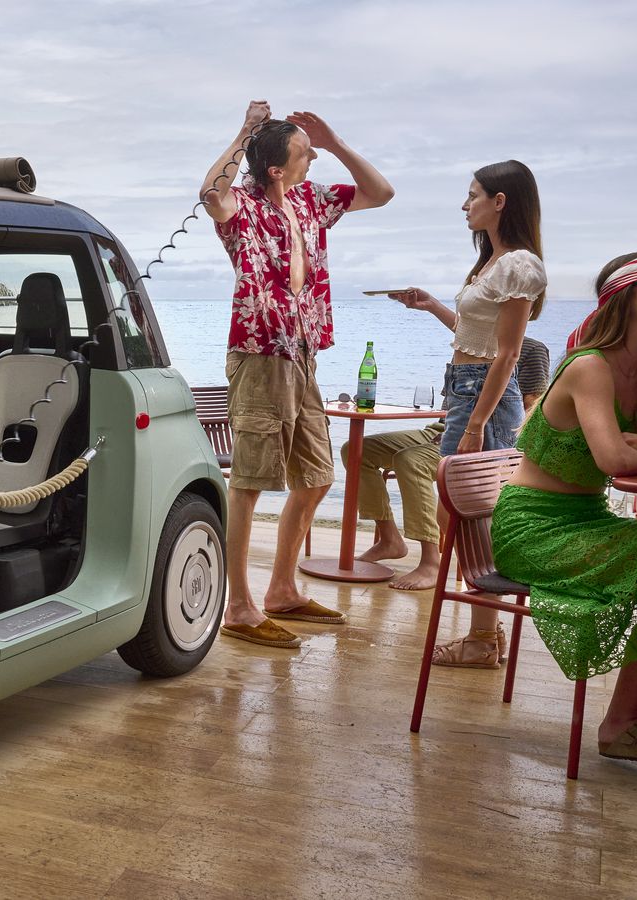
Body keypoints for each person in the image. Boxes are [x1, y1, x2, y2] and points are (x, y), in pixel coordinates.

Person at [492, 249, 637, 762]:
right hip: (533, 529)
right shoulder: (589, 366)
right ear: (624, 297)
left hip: (588, 519)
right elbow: (612, 457)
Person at [203, 100, 394, 648]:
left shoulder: (313, 201)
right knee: (249, 483)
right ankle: (238, 606)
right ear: (275, 170)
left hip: (304, 355)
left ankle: (281, 590)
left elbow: (380, 193)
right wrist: (243, 131)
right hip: (260, 355)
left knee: (316, 475)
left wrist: (333, 141)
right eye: (305, 153)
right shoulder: (241, 206)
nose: (313, 158)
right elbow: (210, 193)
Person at [389, 161, 545, 666]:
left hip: (484, 396)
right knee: (461, 513)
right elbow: (475, 338)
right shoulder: (492, 263)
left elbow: (508, 354)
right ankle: (486, 633)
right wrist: (434, 306)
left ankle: (481, 637)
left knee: (473, 514)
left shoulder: (518, 265)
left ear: (501, 201)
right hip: (466, 388)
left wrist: (477, 424)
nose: (465, 204)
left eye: (473, 194)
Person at [353, 336, 551, 591]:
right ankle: (390, 539)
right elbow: (452, 404)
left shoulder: (530, 350)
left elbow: (531, 407)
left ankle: (430, 562)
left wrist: (473, 430)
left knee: (410, 460)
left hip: (474, 437)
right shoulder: (470, 343)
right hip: (442, 427)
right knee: (359, 449)